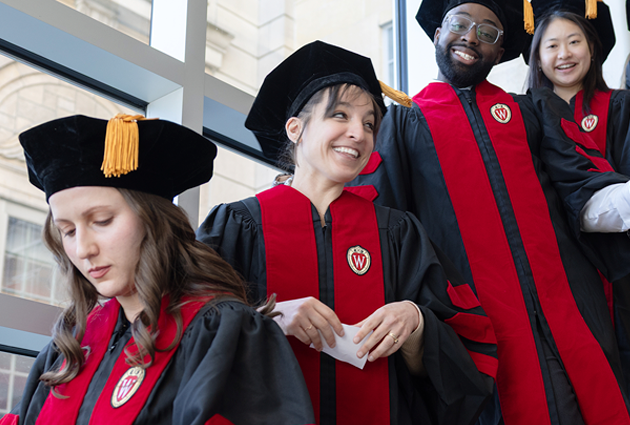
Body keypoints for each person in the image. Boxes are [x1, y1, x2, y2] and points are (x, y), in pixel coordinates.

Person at [347, 0, 630, 424]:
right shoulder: (405, 125)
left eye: (488, 32)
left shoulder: (530, 111)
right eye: (459, 24)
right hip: (479, 335)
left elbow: (582, 191)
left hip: (571, 313)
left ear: (501, 52)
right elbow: (384, 228)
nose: (470, 37)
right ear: (438, 32)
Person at [197, 40, 497, 425]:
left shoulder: (397, 232)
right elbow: (186, 331)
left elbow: (468, 354)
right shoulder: (237, 225)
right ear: (295, 128)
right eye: (340, 116)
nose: (359, 132)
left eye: (369, 123)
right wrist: (266, 316)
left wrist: (416, 322)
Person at [1, 114, 315, 425]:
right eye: (68, 231)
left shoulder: (221, 333)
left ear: (155, 222)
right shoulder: (70, 345)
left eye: (102, 221)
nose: (83, 249)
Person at [525, 0, 630, 398]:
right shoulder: (522, 116)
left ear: (592, 47)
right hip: (558, 272)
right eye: (551, 45)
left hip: (620, 272)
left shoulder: (620, 106)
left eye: (574, 41)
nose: (564, 54)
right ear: (537, 55)